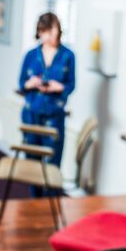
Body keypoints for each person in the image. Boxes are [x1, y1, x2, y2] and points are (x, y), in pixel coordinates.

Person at [19, 12, 76, 168]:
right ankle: (35, 193)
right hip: (32, 114)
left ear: (58, 30)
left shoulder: (68, 56)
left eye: (52, 31)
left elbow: (71, 85)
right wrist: (30, 84)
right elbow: (21, 84)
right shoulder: (30, 55)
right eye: (45, 32)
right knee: (31, 162)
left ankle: (50, 193)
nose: (49, 36)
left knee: (52, 163)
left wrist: (59, 87)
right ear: (39, 32)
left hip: (54, 115)